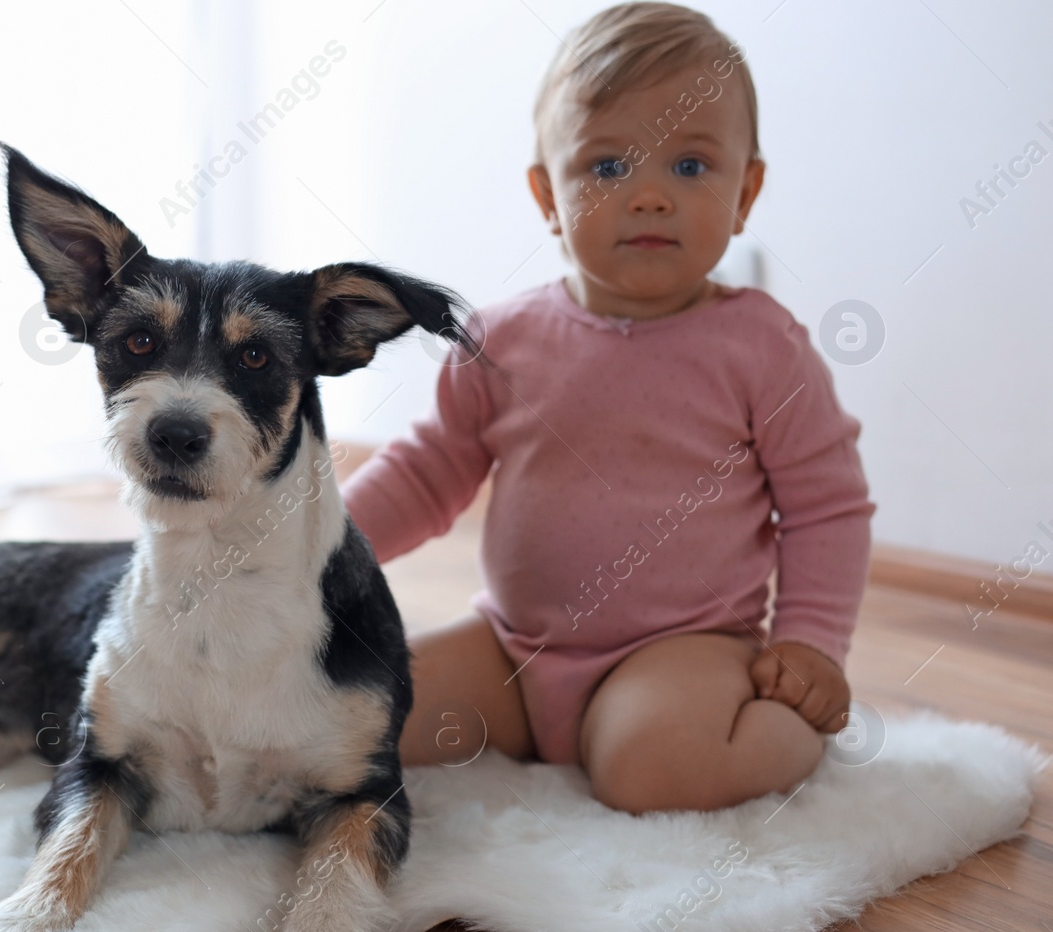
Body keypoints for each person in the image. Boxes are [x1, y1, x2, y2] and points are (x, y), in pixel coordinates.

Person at [341, 1, 875, 814]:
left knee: (648, 769)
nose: (650, 196)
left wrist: (809, 645)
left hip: (683, 650)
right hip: (513, 652)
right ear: (546, 194)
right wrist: (323, 546)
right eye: (607, 167)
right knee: (357, 715)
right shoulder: (501, 340)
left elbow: (827, 509)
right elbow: (426, 473)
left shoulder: (763, 347)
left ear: (746, 191)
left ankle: (790, 735)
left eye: (690, 167)